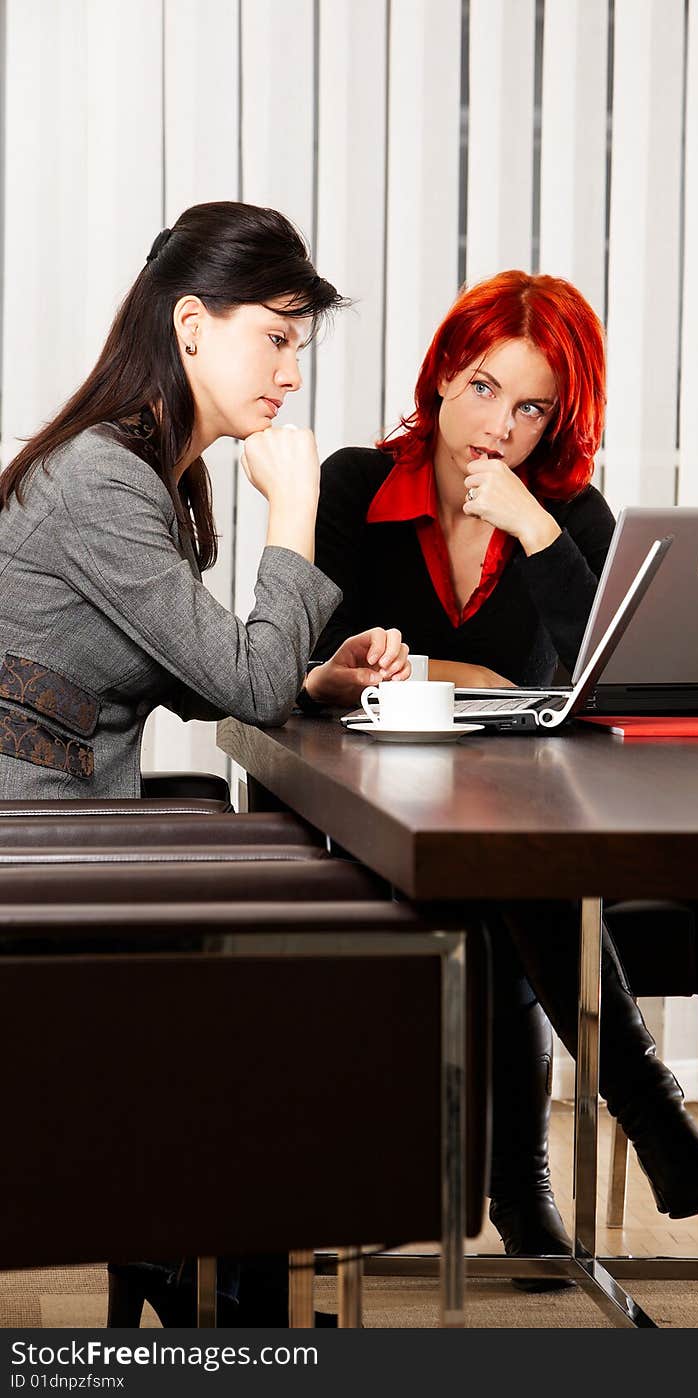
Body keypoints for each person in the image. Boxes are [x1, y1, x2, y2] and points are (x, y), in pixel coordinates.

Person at [0, 200, 410, 1321]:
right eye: (274, 336)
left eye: (297, 346)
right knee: (299, 959)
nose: (288, 371)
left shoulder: (148, 472)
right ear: (192, 325)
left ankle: (204, 1278)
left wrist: (313, 675)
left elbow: (191, 668)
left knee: (298, 935)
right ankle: (222, 1294)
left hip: (67, 839)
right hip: (32, 856)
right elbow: (238, 684)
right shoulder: (106, 479)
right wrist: (297, 516)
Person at [312, 270, 698, 1287]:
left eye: (531, 406)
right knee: (499, 863)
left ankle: (527, 1179)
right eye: (485, 387)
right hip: (366, 809)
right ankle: (604, 1132)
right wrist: (462, 672)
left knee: (495, 859)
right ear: (444, 373)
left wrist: (535, 531)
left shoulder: (566, 514)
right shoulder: (358, 484)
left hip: (507, 819)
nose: (499, 426)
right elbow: (314, 656)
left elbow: (614, 675)